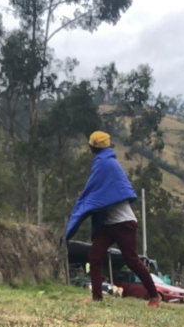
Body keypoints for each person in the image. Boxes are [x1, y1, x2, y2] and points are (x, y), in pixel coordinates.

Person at [66, 131, 160, 307]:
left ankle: (155, 296)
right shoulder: (108, 162)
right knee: (94, 257)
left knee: (131, 260)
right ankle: (97, 298)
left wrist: (84, 205)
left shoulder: (104, 164)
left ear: (91, 148)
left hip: (123, 222)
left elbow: (94, 193)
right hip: (107, 223)